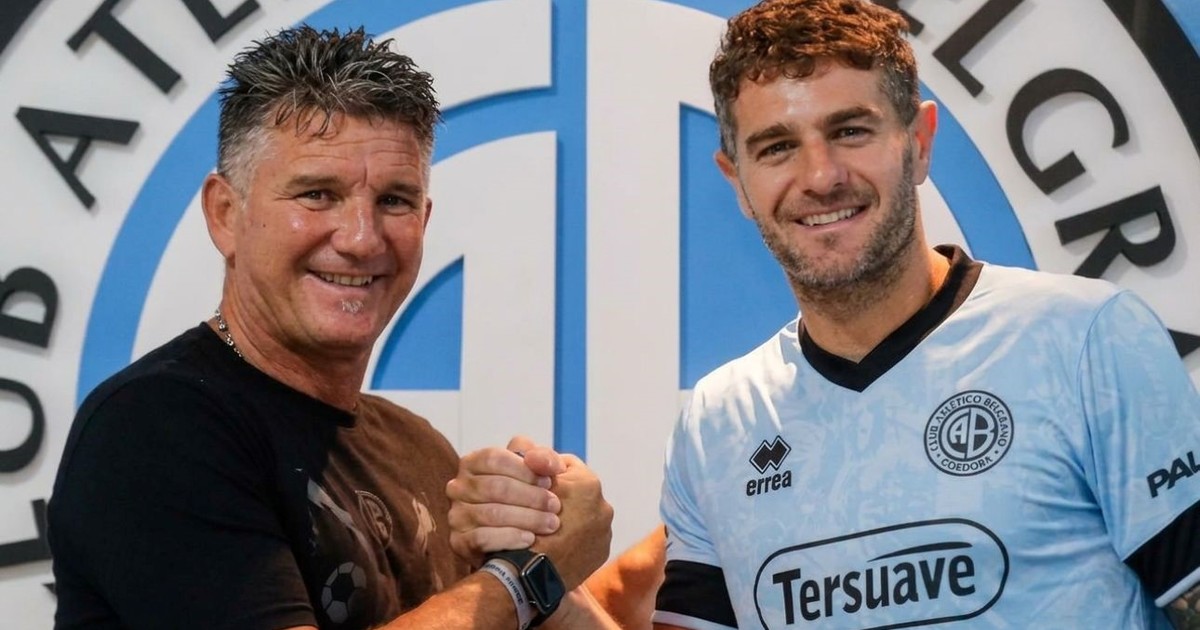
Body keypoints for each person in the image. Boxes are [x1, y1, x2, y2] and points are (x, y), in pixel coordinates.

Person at [446, 0, 1200, 628]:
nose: (821, 175)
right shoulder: (719, 422)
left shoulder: (1085, 340)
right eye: (777, 147)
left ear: (920, 142)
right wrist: (540, 575)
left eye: (850, 130)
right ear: (737, 181)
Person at [47, 25, 624, 630]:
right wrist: (526, 579)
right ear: (225, 214)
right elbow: (512, 592)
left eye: (394, 201)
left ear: (424, 219)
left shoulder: (420, 450)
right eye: (318, 194)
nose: (361, 239)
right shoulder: (152, 427)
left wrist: (541, 559)